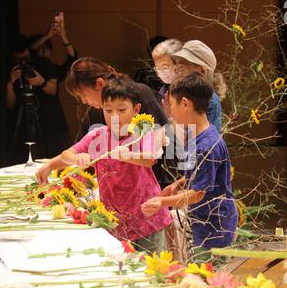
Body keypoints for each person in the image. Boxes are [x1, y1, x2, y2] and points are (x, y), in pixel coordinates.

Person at [37, 76, 173, 254]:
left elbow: (148, 159)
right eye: (108, 111)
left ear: (136, 110)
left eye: (122, 110)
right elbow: (67, 154)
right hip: (115, 221)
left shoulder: (143, 131)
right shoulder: (98, 135)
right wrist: (62, 163)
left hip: (148, 218)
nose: (115, 116)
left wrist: (126, 155)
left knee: (153, 271)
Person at [141, 72, 238, 264]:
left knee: (208, 281)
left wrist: (162, 201)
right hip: (204, 221)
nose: (170, 112)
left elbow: (197, 194)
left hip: (214, 225)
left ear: (185, 103)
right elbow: (202, 175)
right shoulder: (199, 135)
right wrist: (180, 182)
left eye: (172, 105)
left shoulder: (206, 144)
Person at [66, 57, 177, 189]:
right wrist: (51, 165)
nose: (84, 101)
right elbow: (75, 150)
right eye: (108, 110)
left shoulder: (139, 94)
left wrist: (170, 188)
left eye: (83, 94)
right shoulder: (94, 112)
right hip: (116, 189)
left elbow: (163, 150)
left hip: (153, 187)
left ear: (100, 84)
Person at [6, 35, 71, 164]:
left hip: (50, 123)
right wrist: (10, 83)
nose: (22, 63)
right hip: (25, 124)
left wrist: (40, 81)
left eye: (24, 58)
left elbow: (53, 89)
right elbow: (10, 105)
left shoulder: (43, 64)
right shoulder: (13, 70)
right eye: (17, 59)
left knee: (56, 158)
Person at [172, 40, 227, 132]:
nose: (176, 71)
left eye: (181, 68)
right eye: (176, 66)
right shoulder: (185, 94)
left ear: (202, 71)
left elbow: (197, 141)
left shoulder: (208, 101)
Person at [28, 12, 78, 82]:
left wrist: (63, 36)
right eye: (40, 48)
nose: (44, 50)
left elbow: (72, 59)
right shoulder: (30, 66)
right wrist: (46, 36)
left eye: (46, 47)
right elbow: (31, 49)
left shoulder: (55, 70)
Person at [152, 38, 183, 113]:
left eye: (165, 67)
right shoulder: (164, 91)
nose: (161, 72)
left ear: (178, 65)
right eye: (157, 68)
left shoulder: (194, 90)